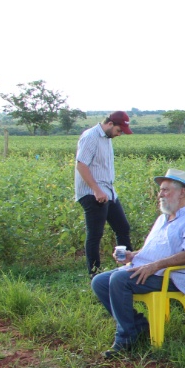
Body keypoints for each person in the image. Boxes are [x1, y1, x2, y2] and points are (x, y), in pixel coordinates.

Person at [91, 169, 185, 357]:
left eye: (165, 190)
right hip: (145, 269)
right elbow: (153, 249)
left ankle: (125, 338)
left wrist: (154, 266)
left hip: (167, 276)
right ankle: (137, 325)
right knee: (99, 282)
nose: (160, 194)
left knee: (118, 279)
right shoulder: (162, 218)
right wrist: (133, 255)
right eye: (160, 190)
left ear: (182, 192)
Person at [75, 111, 134, 278]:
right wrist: (96, 190)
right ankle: (94, 274)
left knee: (122, 228)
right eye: (119, 130)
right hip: (92, 193)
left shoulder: (107, 138)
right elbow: (81, 165)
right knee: (95, 234)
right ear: (109, 124)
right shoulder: (91, 136)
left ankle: (128, 268)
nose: (119, 134)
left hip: (108, 191)